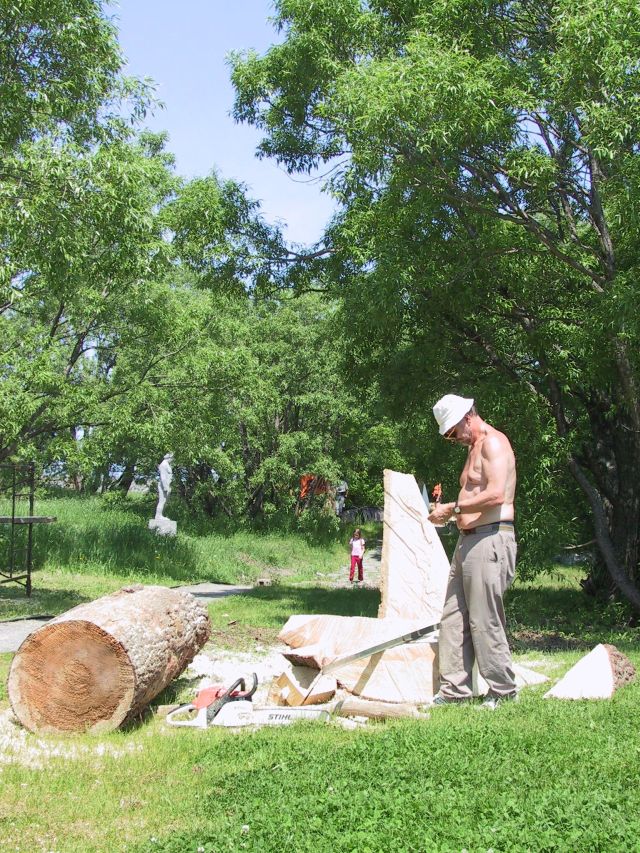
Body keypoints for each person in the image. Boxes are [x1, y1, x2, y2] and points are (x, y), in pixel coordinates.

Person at [428, 394, 517, 709]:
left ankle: (503, 691)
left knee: (484, 618)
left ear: (467, 416)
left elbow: (495, 495)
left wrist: (451, 509)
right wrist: (451, 513)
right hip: (468, 540)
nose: (453, 439)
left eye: (453, 432)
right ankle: (455, 691)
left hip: (491, 538)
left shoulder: (494, 443)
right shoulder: (472, 449)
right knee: (453, 615)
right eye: (448, 437)